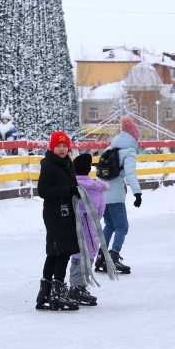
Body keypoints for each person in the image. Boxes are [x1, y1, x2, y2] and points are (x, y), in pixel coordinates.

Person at [35, 131, 81, 311]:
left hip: (67, 213)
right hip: (55, 214)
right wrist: (68, 190)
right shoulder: (49, 165)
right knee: (62, 251)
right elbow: (43, 191)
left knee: (54, 252)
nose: (62, 149)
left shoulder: (67, 163)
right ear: (52, 147)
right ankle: (58, 292)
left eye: (64, 146)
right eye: (58, 146)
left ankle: (46, 293)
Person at [99, 116, 142, 275]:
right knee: (122, 226)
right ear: (133, 137)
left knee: (110, 225)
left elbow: (101, 172)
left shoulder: (110, 148)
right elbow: (130, 173)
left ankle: (101, 256)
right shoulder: (129, 151)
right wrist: (137, 193)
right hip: (116, 195)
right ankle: (114, 255)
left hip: (103, 193)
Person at [67, 152, 107, 307]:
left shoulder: (71, 186)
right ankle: (78, 288)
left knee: (76, 258)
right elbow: (101, 210)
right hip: (89, 228)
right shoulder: (96, 188)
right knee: (86, 258)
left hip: (73, 226)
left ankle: (74, 287)